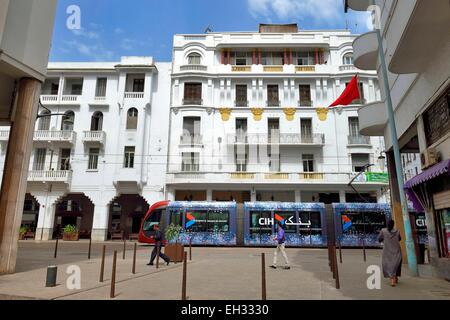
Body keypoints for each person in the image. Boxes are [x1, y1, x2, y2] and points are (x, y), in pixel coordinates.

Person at [378, 220, 402, 287]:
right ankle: (395, 277)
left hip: (387, 251)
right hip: (397, 251)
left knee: (388, 264)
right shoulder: (397, 231)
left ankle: (392, 280)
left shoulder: (383, 231)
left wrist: (385, 239)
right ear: (393, 224)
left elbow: (379, 239)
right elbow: (399, 239)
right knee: (395, 264)